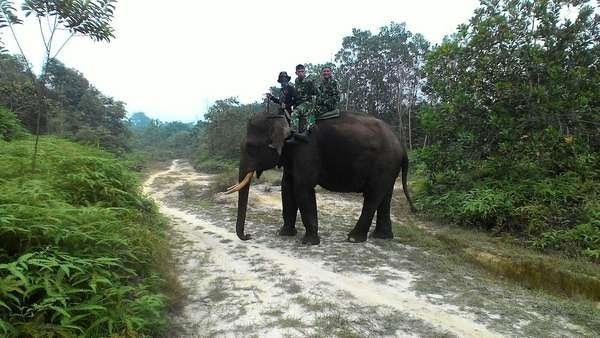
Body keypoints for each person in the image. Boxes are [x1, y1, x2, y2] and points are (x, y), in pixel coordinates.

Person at [292, 64, 318, 133]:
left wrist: (313, 84)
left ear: (305, 72)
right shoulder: (296, 81)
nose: (301, 73)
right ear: (296, 73)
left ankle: (294, 133)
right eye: (299, 72)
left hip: (307, 103)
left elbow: (316, 92)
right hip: (299, 103)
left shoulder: (309, 81)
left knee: (294, 114)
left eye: (302, 71)